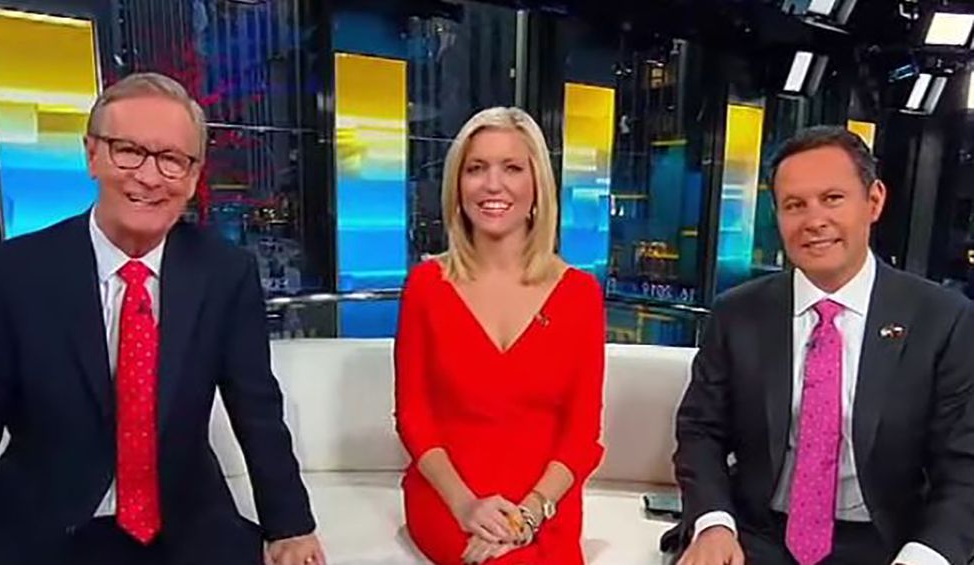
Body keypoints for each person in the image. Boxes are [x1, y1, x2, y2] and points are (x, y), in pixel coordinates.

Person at [0, 73, 325, 565]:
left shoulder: (225, 273)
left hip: (185, 520)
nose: (149, 177)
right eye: (129, 151)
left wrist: (291, 527)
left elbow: (255, 407)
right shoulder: (14, 271)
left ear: (193, 176)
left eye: (172, 159)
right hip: (45, 520)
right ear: (92, 154)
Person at [673, 125, 974, 565]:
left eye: (832, 198)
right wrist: (713, 523)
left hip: (889, 544)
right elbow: (701, 431)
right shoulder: (737, 313)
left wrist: (924, 557)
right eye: (795, 205)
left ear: (874, 201)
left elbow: (965, 466)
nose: (814, 221)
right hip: (756, 534)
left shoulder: (944, 320)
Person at [394, 107, 605, 564]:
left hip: (544, 500)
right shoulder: (427, 286)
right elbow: (413, 417)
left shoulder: (580, 295)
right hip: (450, 496)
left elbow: (583, 431)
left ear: (537, 185)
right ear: (458, 186)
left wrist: (528, 513)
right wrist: (466, 506)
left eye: (511, 168)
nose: (493, 184)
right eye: (476, 168)